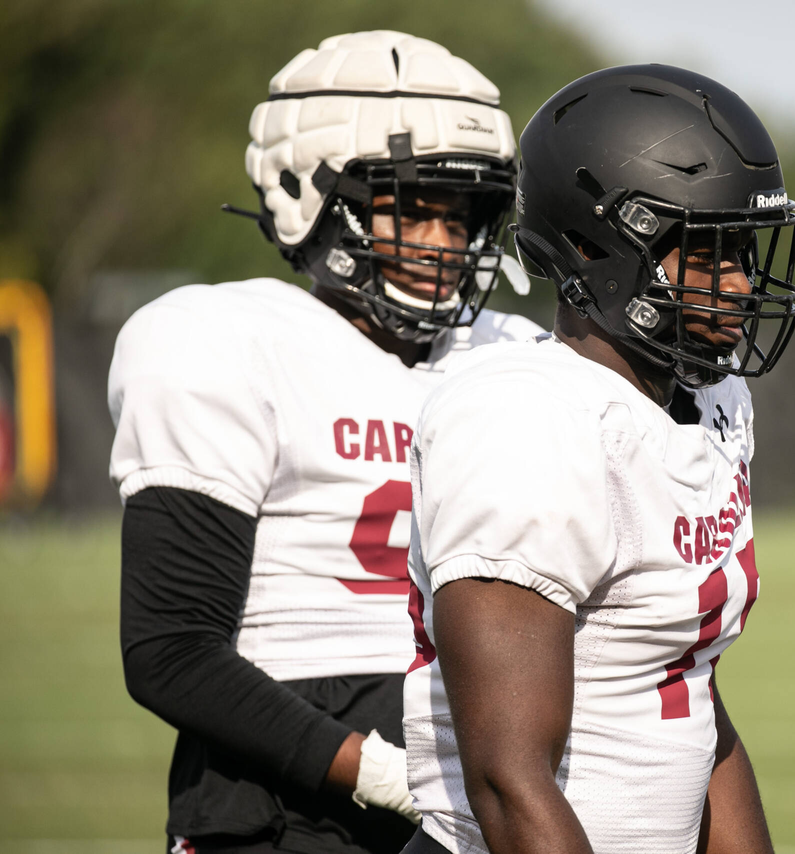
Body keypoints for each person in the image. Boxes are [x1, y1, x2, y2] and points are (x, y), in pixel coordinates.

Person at [108, 31, 542, 854]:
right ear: (309, 192)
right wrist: (377, 772)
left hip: (470, 769)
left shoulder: (513, 358)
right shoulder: (227, 341)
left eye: (462, 214)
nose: (444, 244)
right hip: (279, 798)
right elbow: (170, 650)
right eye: (412, 207)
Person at [398, 65, 795, 854]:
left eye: (745, 250)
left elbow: (689, 693)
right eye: (707, 252)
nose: (742, 282)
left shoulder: (708, 402)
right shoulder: (527, 419)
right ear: (594, 247)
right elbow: (509, 781)